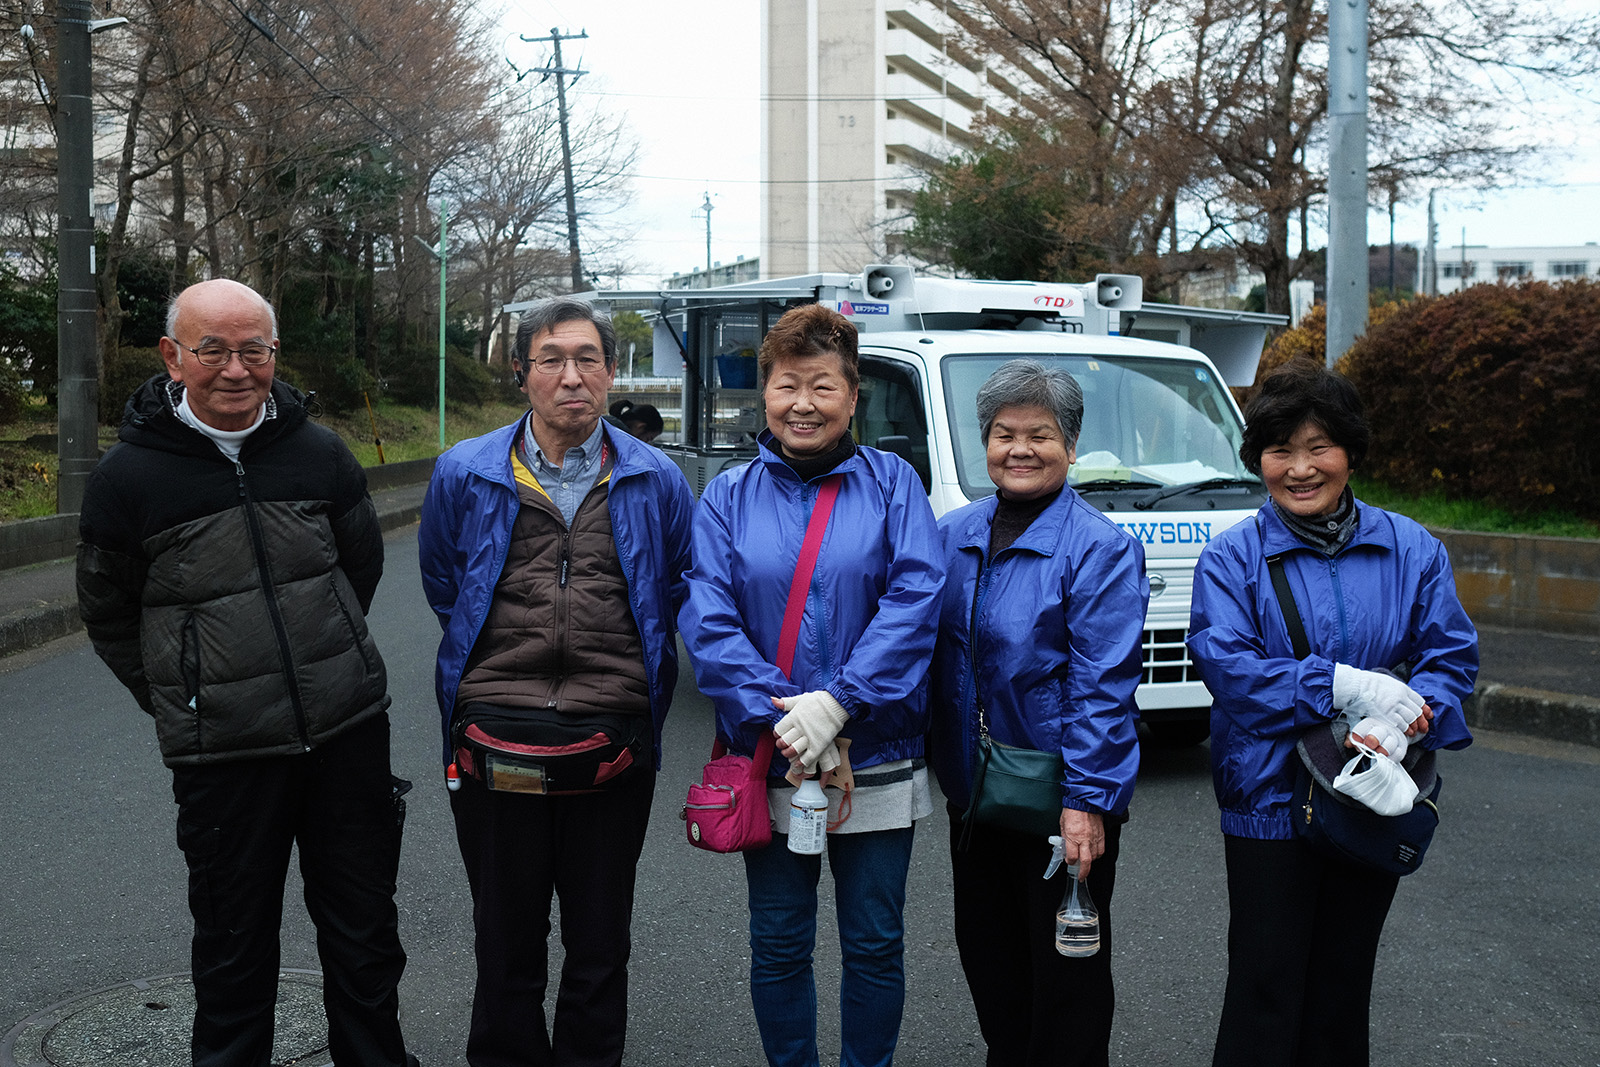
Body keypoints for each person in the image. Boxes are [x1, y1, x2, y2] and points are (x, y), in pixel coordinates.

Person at [75, 279, 417, 1067]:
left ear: (273, 353)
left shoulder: (319, 451)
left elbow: (356, 572)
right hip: (223, 753)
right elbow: (109, 614)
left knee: (365, 937)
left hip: (347, 734)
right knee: (233, 948)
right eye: (213, 349)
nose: (236, 368)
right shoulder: (128, 479)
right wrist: (187, 696)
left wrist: (319, 652)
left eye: (253, 349)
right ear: (173, 355)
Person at [418, 296, 694, 1067]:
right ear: (523, 374)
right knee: (504, 937)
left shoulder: (657, 479)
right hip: (494, 731)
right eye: (551, 359)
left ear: (610, 372)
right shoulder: (464, 471)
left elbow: (673, 585)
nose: (570, 376)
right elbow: (447, 584)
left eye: (587, 359)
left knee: (601, 937)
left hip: (615, 733)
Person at [1187, 361, 1478, 1067]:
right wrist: (1343, 684)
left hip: (1368, 794)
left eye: (1318, 446)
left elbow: (1451, 659)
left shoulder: (1412, 549)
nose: (1300, 467)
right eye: (1280, 449)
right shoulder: (1233, 557)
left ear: (1350, 450)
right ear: (1257, 457)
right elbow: (1230, 669)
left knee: (1342, 992)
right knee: (1264, 987)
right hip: (1266, 801)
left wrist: (1400, 721)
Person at [679, 303, 944, 1067]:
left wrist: (839, 702)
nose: (803, 403)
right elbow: (708, 619)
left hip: (878, 749)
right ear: (764, 394)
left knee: (873, 940)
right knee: (780, 940)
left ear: (852, 397)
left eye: (822, 386)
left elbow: (916, 600)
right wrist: (795, 723)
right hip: (777, 754)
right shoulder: (727, 495)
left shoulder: (894, 483)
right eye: (787, 384)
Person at [929, 359, 1147, 1067]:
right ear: (983, 443)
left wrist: (1086, 802)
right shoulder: (953, 535)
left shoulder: (1101, 548)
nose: (1019, 449)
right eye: (1003, 434)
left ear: (1072, 445)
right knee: (990, 964)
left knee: (1067, 980)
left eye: (1040, 434)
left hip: (1060, 804)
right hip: (976, 795)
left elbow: (1102, 687)